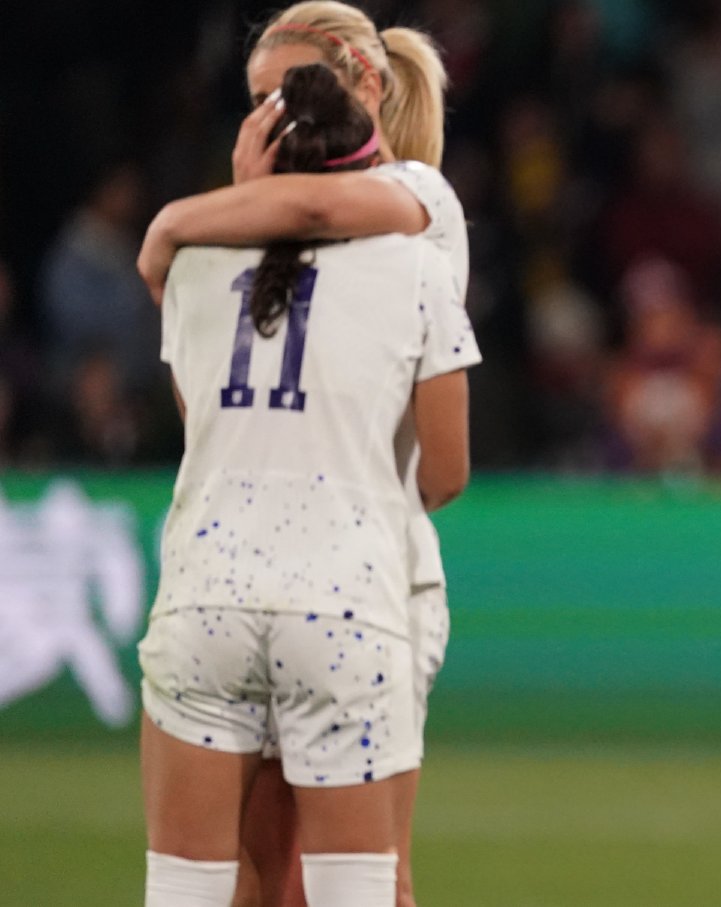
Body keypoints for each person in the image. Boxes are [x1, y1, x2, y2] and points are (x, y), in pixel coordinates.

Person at [135, 4, 463, 905]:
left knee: (360, 874)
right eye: (255, 99)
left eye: (286, 94)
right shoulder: (240, 242)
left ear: (359, 78)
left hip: (362, 571)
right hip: (320, 583)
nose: (272, 115)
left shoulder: (423, 200)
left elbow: (321, 202)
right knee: (265, 870)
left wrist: (177, 225)